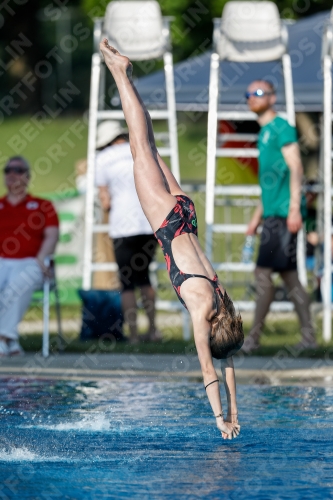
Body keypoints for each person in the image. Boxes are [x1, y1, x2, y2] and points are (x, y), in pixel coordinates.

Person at [99, 39, 243, 440]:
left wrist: (236, 412)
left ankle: (126, 75)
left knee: (147, 143)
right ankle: (119, 73)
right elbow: (210, 371)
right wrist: (220, 419)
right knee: (137, 142)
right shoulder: (202, 312)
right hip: (167, 221)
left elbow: (228, 358)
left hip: (185, 211)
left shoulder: (224, 303)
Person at [244, 80, 316, 352]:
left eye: (258, 93)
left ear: (273, 98)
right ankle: (309, 336)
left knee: (262, 273)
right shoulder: (262, 133)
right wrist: (256, 217)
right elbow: (271, 184)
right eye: (248, 94)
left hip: (285, 214)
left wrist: (295, 208)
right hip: (273, 212)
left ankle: (252, 337)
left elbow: (296, 167)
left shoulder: (282, 128)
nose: (252, 97)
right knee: (289, 277)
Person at [95, 120, 160, 344]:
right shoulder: (141, 152)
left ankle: (133, 336)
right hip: (149, 223)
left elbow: (105, 202)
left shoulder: (102, 159)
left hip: (123, 227)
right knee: (145, 279)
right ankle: (153, 331)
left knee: (127, 283)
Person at [0, 156, 59, 356]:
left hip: (32, 260)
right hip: (2, 260)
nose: (11, 174)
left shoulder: (43, 205)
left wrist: (42, 258)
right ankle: (10, 341)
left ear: (27, 176)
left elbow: (52, 236)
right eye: (7, 170)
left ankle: (3, 338)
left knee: (18, 283)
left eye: (17, 170)